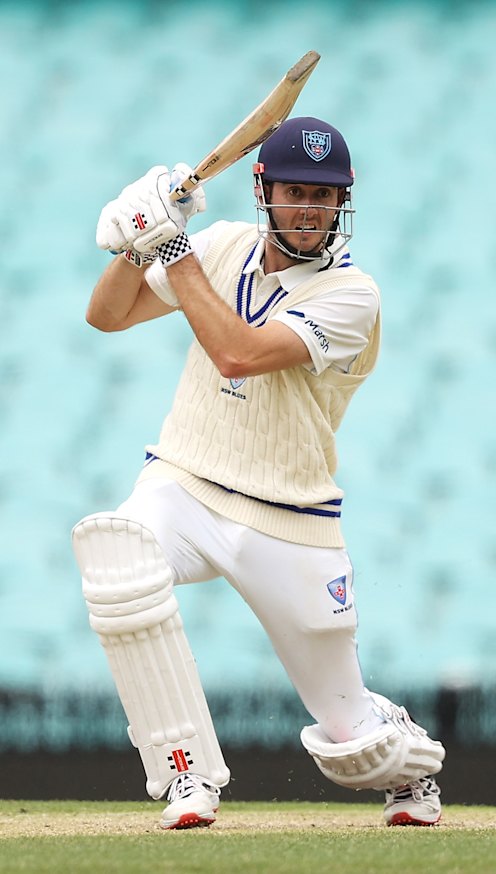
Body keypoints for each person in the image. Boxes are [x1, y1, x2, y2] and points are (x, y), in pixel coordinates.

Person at [72, 117, 445, 829]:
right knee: (117, 553)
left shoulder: (352, 295)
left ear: (343, 204)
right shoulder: (219, 247)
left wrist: (170, 241)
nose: (311, 209)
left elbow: (237, 353)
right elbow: (106, 315)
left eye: (326, 196)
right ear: (263, 188)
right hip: (185, 480)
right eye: (297, 191)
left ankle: (411, 762)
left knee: (352, 742)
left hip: (288, 515)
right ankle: (187, 778)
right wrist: (133, 241)